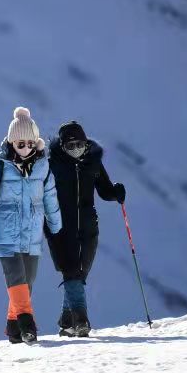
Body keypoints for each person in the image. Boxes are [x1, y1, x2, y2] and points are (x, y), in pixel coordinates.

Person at [0, 107, 63, 344]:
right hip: (5, 232)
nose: (25, 148)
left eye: (30, 144)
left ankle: (13, 328)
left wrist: (56, 225)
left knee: (28, 279)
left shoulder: (43, 166)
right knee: (16, 276)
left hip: (32, 232)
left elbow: (50, 196)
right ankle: (27, 324)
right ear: (12, 142)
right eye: (20, 144)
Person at [46, 120, 126, 337]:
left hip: (89, 225)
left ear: (86, 143)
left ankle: (67, 320)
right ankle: (81, 321)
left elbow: (104, 190)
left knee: (81, 272)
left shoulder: (92, 162)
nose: (75, 150)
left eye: (79, 145)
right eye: (70, 146)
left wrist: (116, 192)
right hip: (60, 227)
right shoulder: (52, 165)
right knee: (71, 271)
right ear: (62, 147)